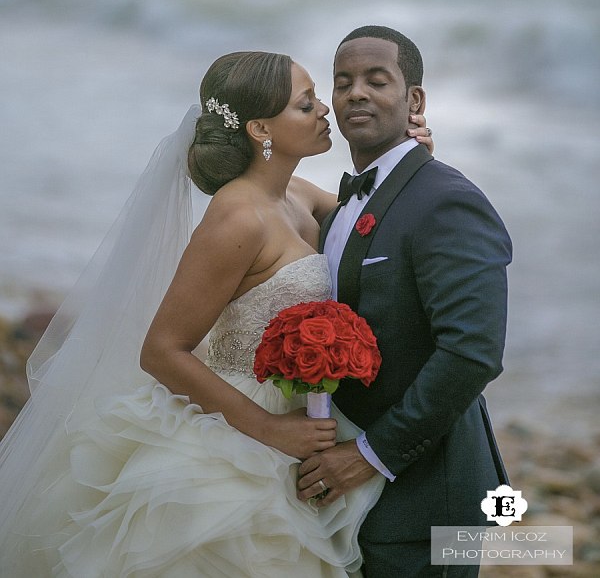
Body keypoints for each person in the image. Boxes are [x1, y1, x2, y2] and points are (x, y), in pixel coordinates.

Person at [0, 49, 433, 577]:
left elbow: (373, 221)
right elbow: (161, 350)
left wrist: (410, 154)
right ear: (259, 129)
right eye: (305, 104)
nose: (326, 110)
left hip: (305, 419)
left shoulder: (295, 194)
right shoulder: (238, 217)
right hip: (240, 428)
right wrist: (270, 430)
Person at [297, 26, 512, 578]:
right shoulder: (346, 204)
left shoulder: (447, 203)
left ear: (415, 99)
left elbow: (472, 353)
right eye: (342, 82)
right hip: (368, 500)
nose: (356, 93)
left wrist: (368, 456)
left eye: (376, 79)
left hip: (430, 495)